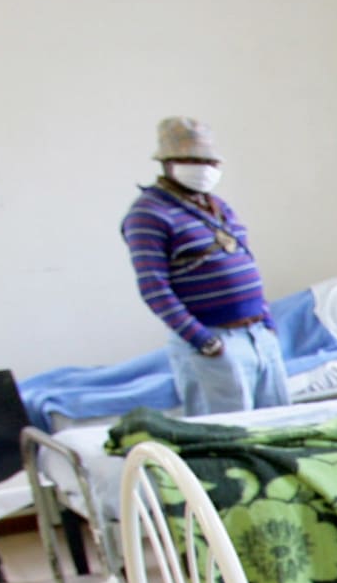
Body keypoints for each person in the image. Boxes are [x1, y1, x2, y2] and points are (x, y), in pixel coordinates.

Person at [121, 117, 287, 416]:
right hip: (214, 339)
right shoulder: (148, 214)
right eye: (192, 160)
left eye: (209, 161)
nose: (204, 168)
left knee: (281, 427)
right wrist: (203, 340)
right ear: (169, 163)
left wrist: (266, 322)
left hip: (257, 334)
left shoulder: (218, 207)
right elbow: (153, 287)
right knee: (228, 438)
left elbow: (245, 260)